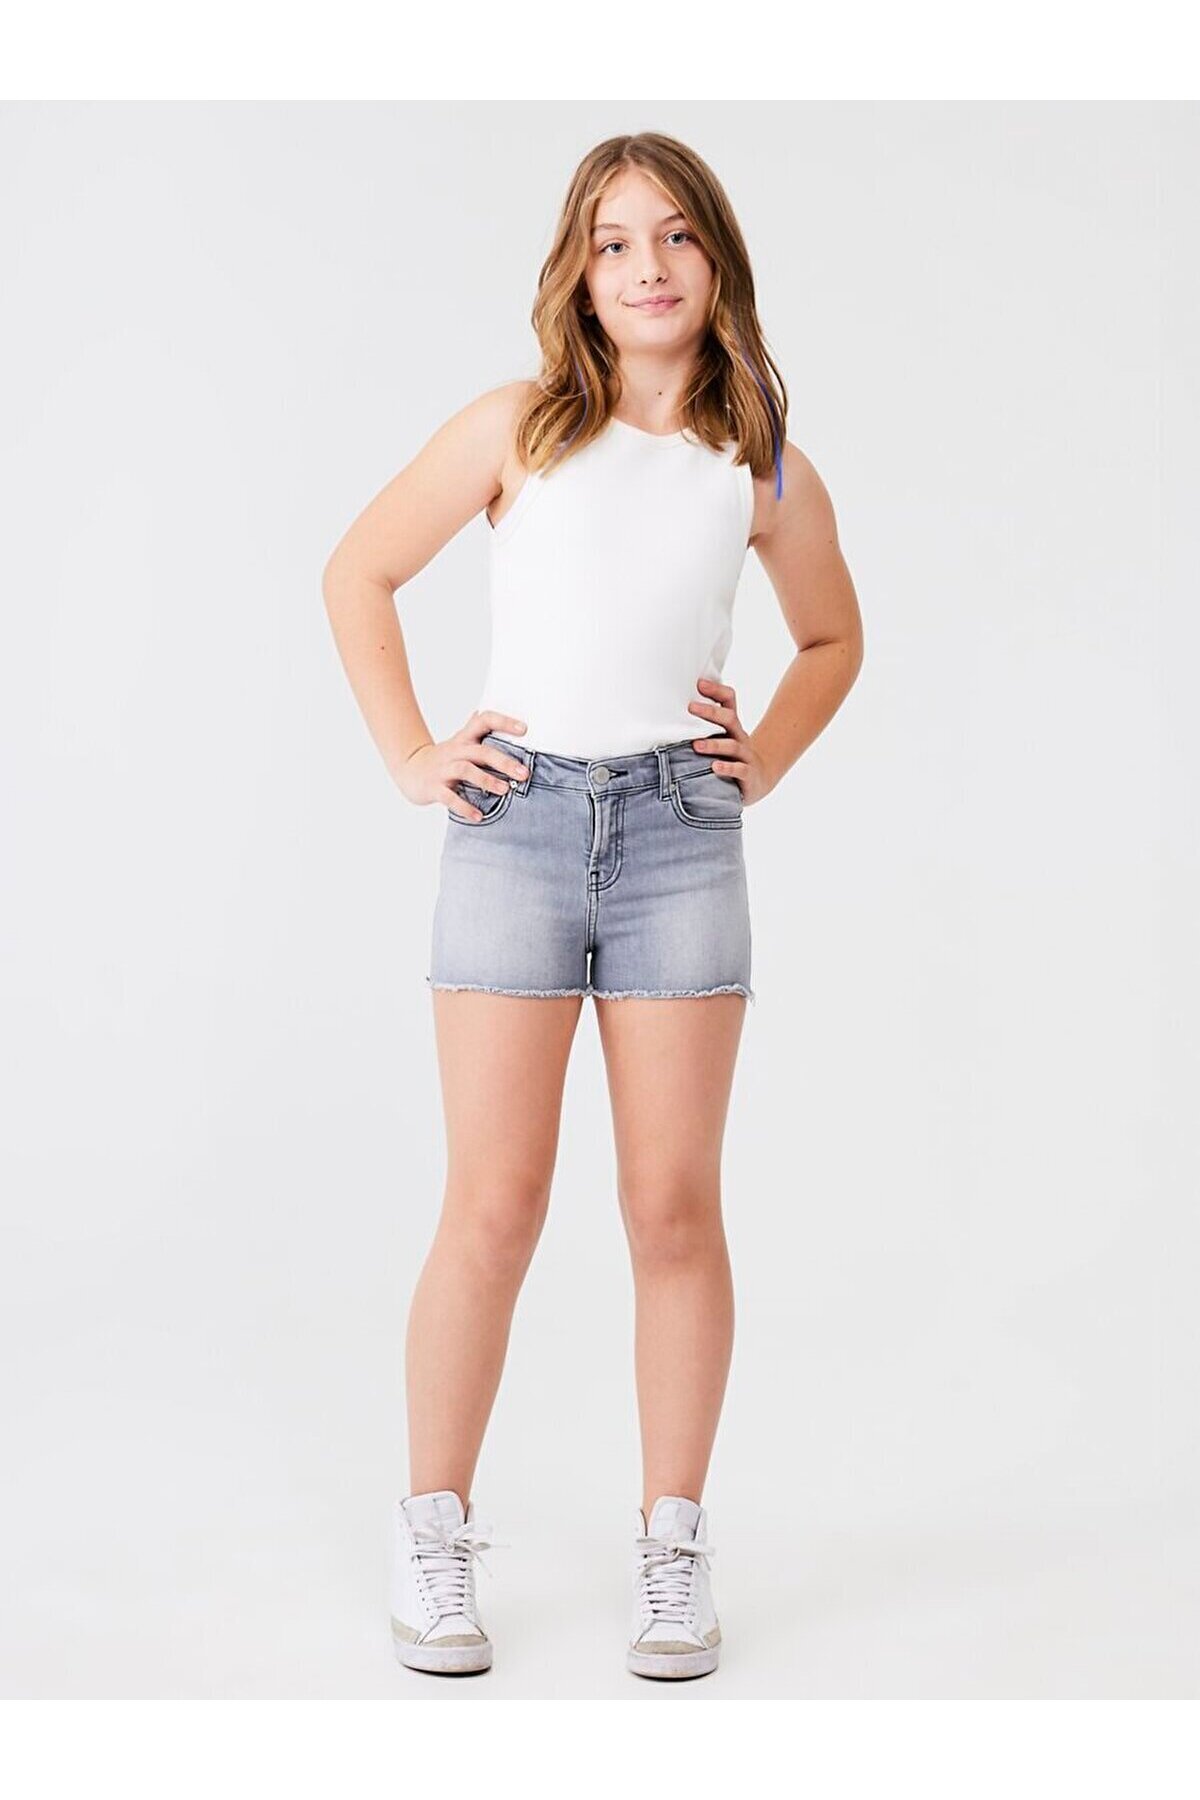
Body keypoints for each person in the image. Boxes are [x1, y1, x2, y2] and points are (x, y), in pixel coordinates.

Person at [322, 130, 864, 1681]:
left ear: (718, 261)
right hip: (516, 824)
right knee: (494, 1204)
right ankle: (433, 1529)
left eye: (676, 235)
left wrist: (762, 758)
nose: (647, 265)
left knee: (672, 1207)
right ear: (578, 269)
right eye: (616, 240)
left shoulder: (759, 460)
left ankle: (672, 1546)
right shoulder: (516, 427)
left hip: (682, 836)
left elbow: (833, 639)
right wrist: (413, 755)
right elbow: (359, 573)